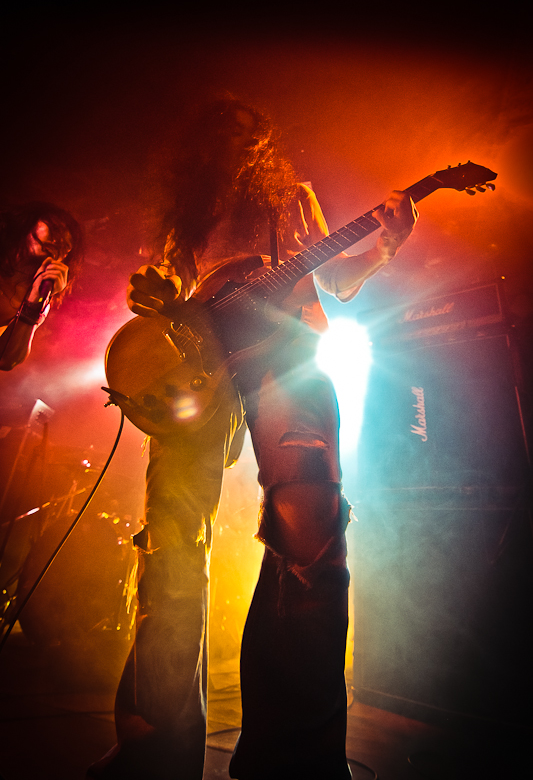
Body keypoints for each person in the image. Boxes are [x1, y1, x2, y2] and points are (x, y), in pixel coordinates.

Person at [88, 95, 418, 780]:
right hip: (196, 374)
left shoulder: (290, 201)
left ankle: (294, 757)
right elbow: (169, 305)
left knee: (311, 536)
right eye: (221, 131)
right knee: (171, 544)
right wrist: (155, 295)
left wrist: (384, 246)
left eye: (248, 131)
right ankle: (154, 747)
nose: (236, 140)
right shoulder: (187, 220)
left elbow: (337, 278)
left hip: (286, 353)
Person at [0, 201, 84, 370]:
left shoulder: (37, 296)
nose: (59, 239)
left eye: (67, 243)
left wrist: (35, 302)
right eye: (55, 228)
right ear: (29, 222)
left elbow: (6, 360)